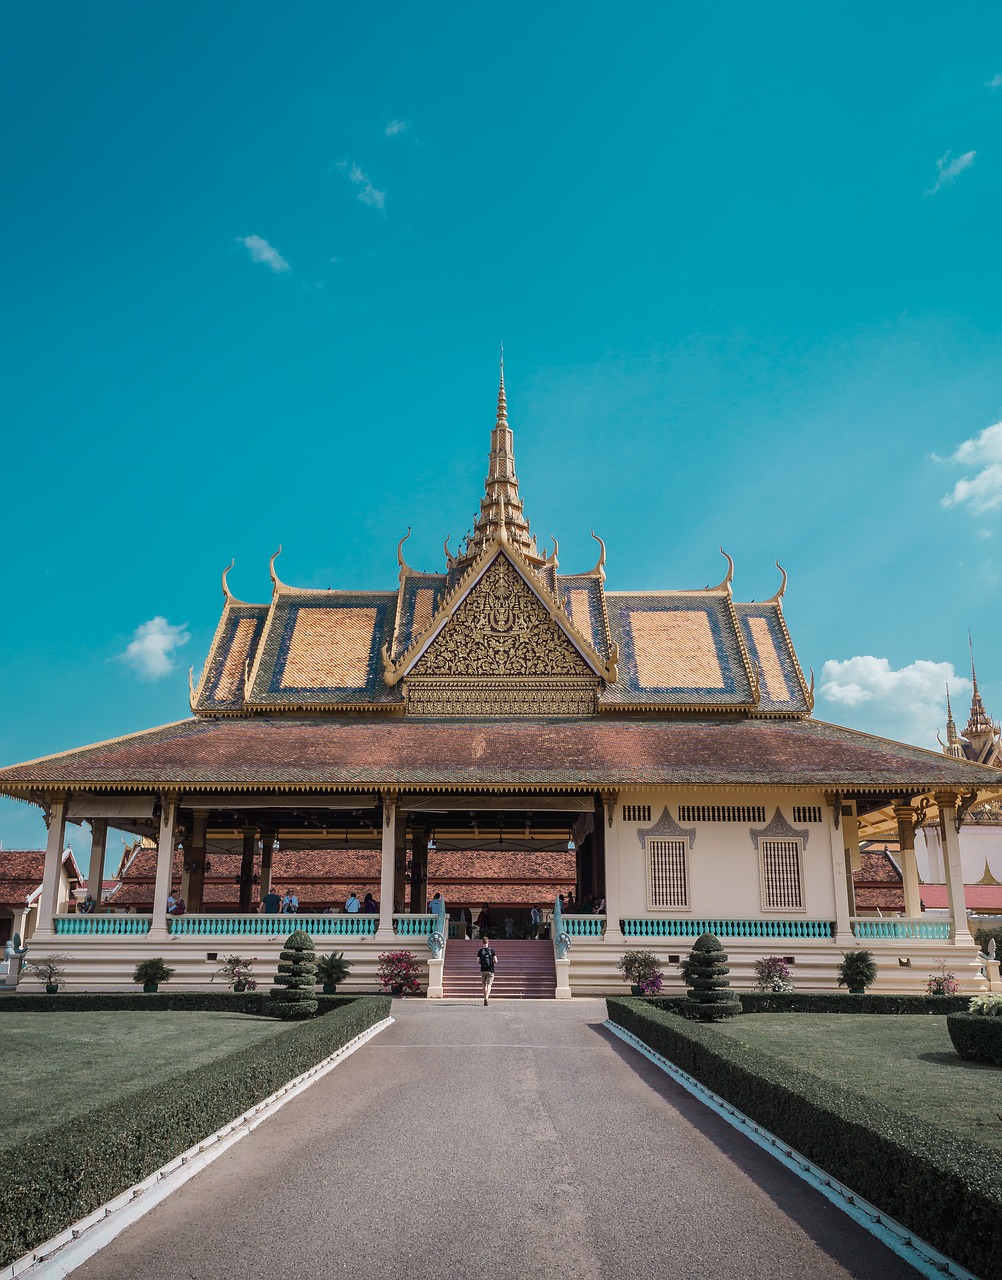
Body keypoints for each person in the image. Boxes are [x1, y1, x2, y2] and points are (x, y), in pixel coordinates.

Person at [477, 935, 498, 1006]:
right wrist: (492, 963)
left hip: (483, 969)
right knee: (489, 985)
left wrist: (481, 963)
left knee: (484, 984)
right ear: (488, 942)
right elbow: (496, 960)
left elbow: (477, 961)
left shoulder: (480, 951)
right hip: (490, 969)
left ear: (482, 942)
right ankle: (486, 997)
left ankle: (484, 996)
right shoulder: (492, 950)